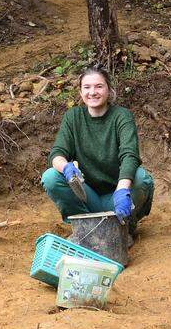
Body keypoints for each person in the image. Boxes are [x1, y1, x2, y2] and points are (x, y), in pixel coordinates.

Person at [41, 66, 153, 233]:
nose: (92, 92)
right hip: (86, 195)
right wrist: (66, 168)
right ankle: (85, 229)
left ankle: (122, 228)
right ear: (80, 92)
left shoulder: (122, 116)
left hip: (116, 195)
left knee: (141, 177)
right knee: (50, 176)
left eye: (99, 86)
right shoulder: (73, 117)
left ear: (109, 90)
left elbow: (130, 155)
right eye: (87, 87)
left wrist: (122, 190)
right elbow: (57, 153)